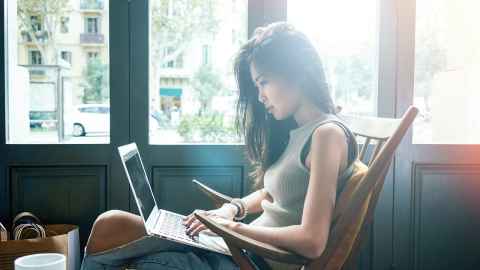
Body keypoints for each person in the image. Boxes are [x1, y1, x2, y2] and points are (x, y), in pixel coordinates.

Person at [80, 21, 362, 270]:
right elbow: (275, 192)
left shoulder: (327, 135)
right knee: (110, 223)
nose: (261, 96)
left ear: (296, 72)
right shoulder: (298, 131)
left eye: (264, 82)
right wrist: (232, 209)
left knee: (121, 253)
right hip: (235, 246)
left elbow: (312, 241)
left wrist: (230, 229)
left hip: (249, 258)